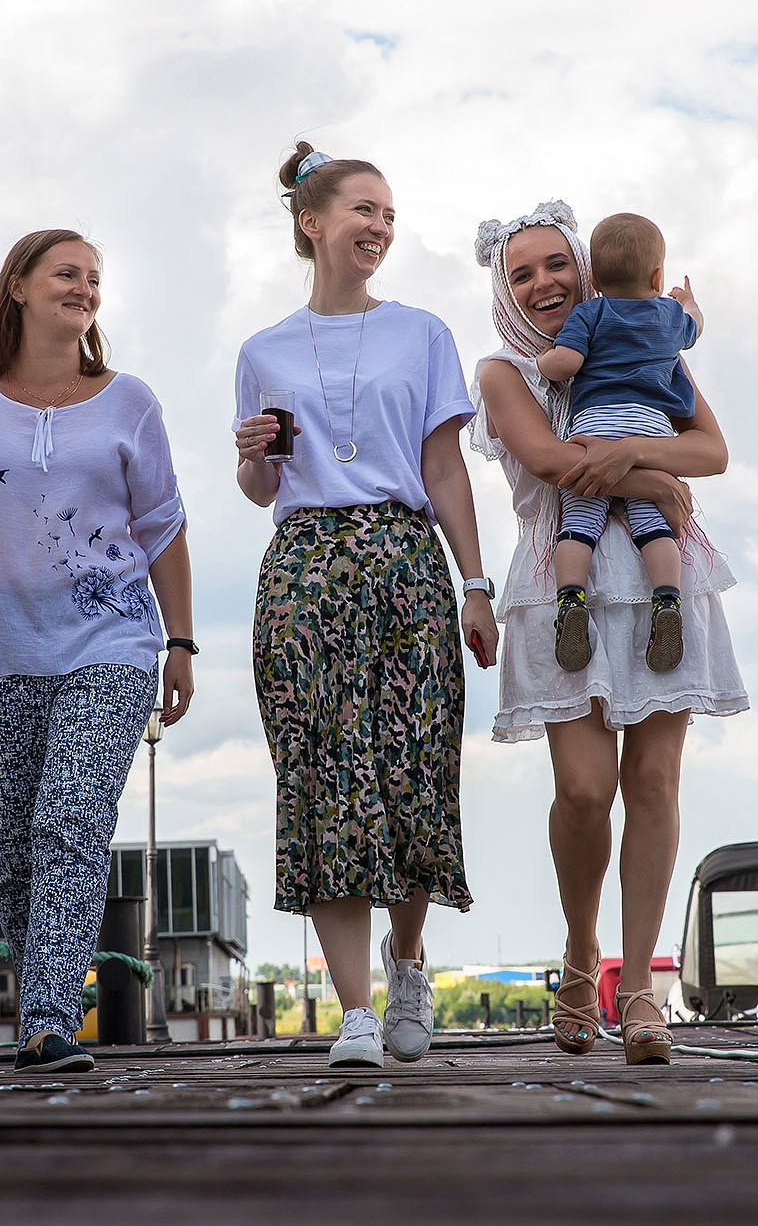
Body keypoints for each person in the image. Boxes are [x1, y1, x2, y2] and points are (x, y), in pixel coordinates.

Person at [234, 143, 497, 1068]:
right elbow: (260, 488)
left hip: (404, 555)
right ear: (312, 222)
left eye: (390, 213)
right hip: (305, 565)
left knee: (411, 766)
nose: (381, 227)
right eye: (364, 210)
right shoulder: (261, 350)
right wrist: (255, 453)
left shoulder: (422, 332)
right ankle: (353, 1011)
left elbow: (443, 468)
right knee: (320, 774)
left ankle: (409, 961)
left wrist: (473, 582)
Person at [471, 201, 748, 1065]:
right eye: (523, 272)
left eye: (559, 264)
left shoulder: (644, 345)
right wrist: (649, 466)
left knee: (655, 781)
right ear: (505, 290)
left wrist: (642, 463)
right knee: (586, 790)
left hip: (664, 574)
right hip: (567, 573)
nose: (544, 281)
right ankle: (580, 951)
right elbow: (553, 462)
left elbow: (714, 449)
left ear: (585, 272)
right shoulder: (504, 371)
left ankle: (638, 991)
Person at [0, 228, 195, 1074]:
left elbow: (165, 528)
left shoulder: (129, 401)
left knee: (70, 818)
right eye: (66, 274)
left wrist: (180, 640)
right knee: (9, 847)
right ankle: (41, 1000)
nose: (84, 288)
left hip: (110, 641)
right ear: (20, 289)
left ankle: (47, 1021)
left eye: (94, 278)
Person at [533, 212, 702, 676]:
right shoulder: (670, 317)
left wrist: (544, 362)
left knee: (579, 521)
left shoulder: (591, 312)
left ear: (592, 277)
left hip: (597, 428)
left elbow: (566, 363)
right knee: (653, 523)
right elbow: (695, 325)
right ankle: (667, 600)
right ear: (656, 276)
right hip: (651, 429)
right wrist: (687, 302)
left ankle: (570, 600)